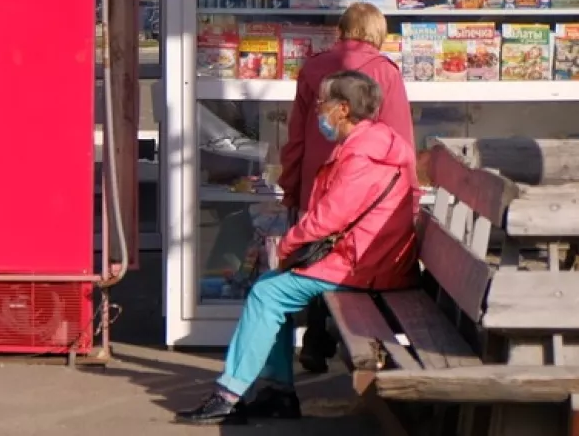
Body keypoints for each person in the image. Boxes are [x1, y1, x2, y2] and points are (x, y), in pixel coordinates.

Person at [176, 71, 419, 425]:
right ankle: (277, 392)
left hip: (363, 267)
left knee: (268, 294)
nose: (317, 110)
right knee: (269, 287)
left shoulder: (362, 156)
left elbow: (329, 217)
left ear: (343, 109)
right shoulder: (376, 144)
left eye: (322, 103)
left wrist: (288, 243)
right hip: (369, 259)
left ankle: (228, 395)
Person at [278, 1, 414, 373]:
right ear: (377, 33)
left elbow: (296, 138)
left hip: (316, 183)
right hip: (367, 194)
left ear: (341, 31)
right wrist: (411, 197)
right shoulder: (385, 72)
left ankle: (315, 337)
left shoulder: (313, 68)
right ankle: (331, 336)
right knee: (349, 255)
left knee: (314, 254)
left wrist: (291, 186)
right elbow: (399, 140)